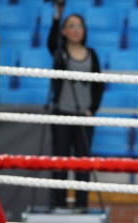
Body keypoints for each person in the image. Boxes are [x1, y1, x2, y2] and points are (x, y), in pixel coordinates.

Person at [47, 2, 104, 209]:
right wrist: (57, 15)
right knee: (60, 162)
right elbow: (51, 42)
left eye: (79, 26)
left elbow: (99, 85)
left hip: (84, 117)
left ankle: (81, 205)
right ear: (64, 30)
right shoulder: (59, 53)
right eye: (70, 26)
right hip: (61, 115)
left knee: (82, 164)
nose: (75, 30)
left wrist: (92, 110)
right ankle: (58, 205)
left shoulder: (92, 54)